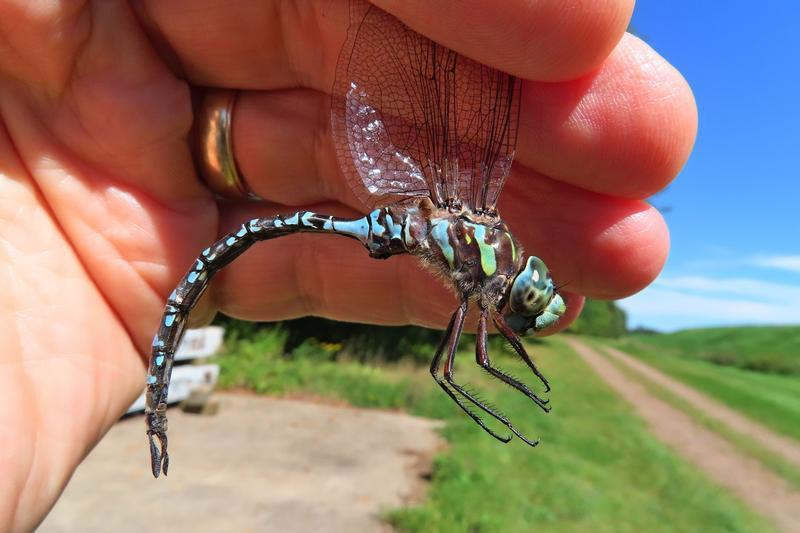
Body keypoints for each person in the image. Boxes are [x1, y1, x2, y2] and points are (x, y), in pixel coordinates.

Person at [0, 1, 696, 530]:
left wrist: (531, 384)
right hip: (393, 216)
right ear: (505, 281)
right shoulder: (481, 272)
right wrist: (529, 390)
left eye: (523, 305)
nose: (521, 308)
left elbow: (476, 358)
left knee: (461, 362)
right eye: (522, 301)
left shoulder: (480, 244)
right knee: (458, 363)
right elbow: (467, 363)